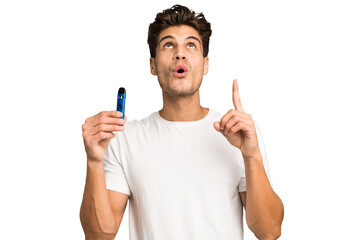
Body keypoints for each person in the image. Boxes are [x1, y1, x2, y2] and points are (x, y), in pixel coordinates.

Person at [80, 4, 284, 240]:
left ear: (205, 64)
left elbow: (269, 231)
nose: (180, 53)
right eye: (168, 45)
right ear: (153, 65)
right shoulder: (125, 139)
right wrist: (94, 161)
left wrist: (252, 156)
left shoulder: (237, 133)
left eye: (191, 45)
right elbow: (98, 236)